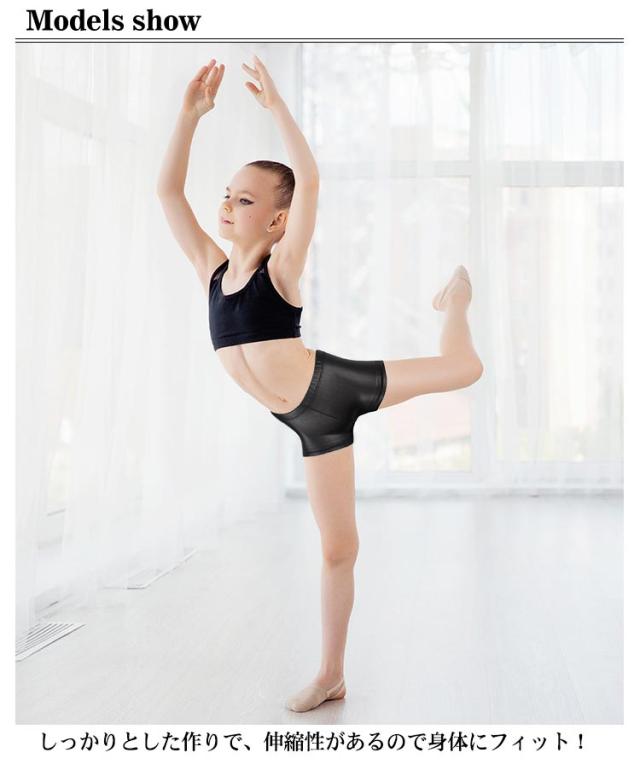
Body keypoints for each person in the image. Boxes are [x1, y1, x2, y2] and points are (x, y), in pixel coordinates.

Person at [156, 54, 484, 713]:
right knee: (338, 549)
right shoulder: (211, 271)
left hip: (334, 389)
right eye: (227, 194)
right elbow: (168, 193)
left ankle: (456, 302)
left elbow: (307, 180)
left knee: (463, 371)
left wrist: (277, 105)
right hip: (307, 423)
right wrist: (188, 118)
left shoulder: (280, 270)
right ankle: (332, 674)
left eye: (245, 200)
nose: (227, 205)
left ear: (277, 221)